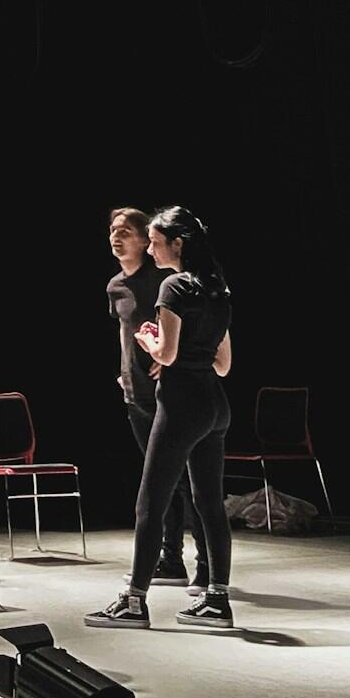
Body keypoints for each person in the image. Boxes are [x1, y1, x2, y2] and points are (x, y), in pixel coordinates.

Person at [88, 204, 236, 632]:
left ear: (178, 244)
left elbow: (167, 356)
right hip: (215, 405)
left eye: (155, 242)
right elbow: (224, 364)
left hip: (181, 404)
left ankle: (134, 601)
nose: (151, 250)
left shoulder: (173, 286)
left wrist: (150, 341)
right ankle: (217, 600)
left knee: (150, 503)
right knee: (210, 504)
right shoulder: (218, 288)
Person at [107, 205, 195, 586]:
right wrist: (124, 369)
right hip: (135, 392)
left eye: (125, 231)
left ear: (145, 240)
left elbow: (187, 321)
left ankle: (203, 561)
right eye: (113, 230)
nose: (116, 237)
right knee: (156, 478)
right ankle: (170, 559)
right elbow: (125, 331)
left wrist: (170, 357)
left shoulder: (161, 279)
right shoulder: (115, 286)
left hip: (166, 389)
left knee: (181, 477)